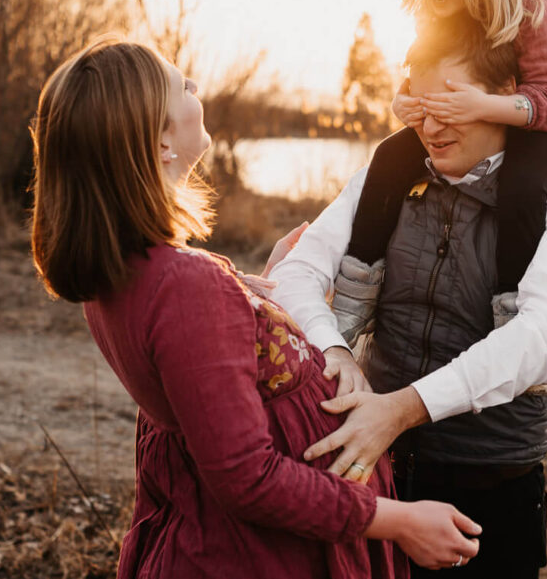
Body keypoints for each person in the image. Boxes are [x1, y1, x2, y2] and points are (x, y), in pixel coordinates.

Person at [29, 38, 483, 578]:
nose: (197, 89)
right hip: (259, 556)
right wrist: (399, 520)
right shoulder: (184, 285)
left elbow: (203, 377)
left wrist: (255, 299)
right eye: (182, 86)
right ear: (159, 143)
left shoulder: (127, 271)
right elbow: (249, 477)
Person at [270, 13, 547, 577]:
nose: (431, 125)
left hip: (491, 485)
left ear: (505, 96)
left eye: (450, 104)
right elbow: (297, 273)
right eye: (418, 108)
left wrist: (402, 409)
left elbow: (546, 339)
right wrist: (334, 350)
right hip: (375, 474)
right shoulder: (383, 180)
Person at [331, 0, 547, 345]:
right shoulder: (439, 9)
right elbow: (420, 69)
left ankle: (512, 314)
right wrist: (406, 104)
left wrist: (480, 107)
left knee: (523, 185)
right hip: (476, 108)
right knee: (391, 155)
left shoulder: (532, 9)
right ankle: (357, 291)